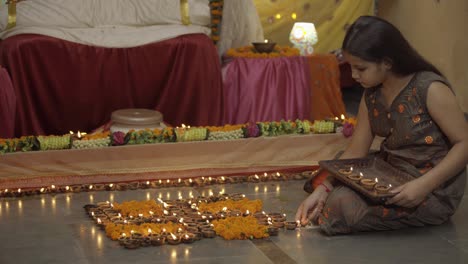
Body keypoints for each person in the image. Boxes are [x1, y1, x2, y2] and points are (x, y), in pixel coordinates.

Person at [295, 16, 468, 235]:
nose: (354, 75)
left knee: (340, 207)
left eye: (361, 68)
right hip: (388, 174)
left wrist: (423, 185)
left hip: (429, 188)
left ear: (387, 62)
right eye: (351, 67)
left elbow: (464, 144)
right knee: (327, 178)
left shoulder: (430, 88)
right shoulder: (372, 93)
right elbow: (356, 150)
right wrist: (324, 187)